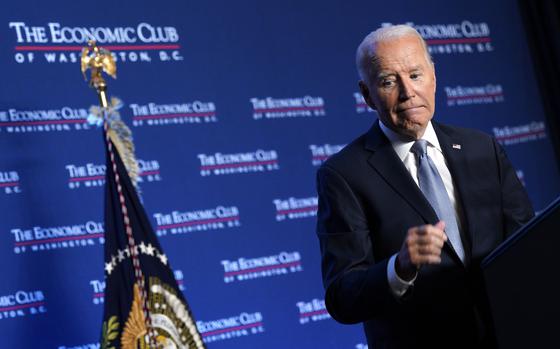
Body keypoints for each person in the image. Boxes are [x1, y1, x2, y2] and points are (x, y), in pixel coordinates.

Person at [316, 25, 534, 349]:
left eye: (415, 75)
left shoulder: (482, 149)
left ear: (433, 76)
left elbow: (526, 244)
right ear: (367, 94)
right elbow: (342, 295)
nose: (408, 92)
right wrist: (399, 267)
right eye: (389, 81)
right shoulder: (343, 175)